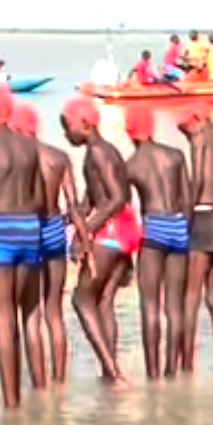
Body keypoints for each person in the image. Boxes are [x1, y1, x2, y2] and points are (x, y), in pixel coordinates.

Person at [0, 86, 52, 403]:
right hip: (30, 228)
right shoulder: (29, 148)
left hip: (2, 232)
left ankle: (12, 403)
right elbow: (37, 197)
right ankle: (42, 389)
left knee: (4, 321)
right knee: (30, 313)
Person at [60, 95, 135, 385]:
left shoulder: (99, 153)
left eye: (68, 127)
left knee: (82, 299)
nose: (66, 134)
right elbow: (92, 199)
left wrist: (86, 233)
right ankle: (108, 370)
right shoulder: (101, 151)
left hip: (112, 227)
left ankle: (114, 374)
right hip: (125, 227)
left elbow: (116, 197)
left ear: (86, 124)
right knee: (103, 301)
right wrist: (72, 217)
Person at [9, 101, 80, 385]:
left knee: (31, 313)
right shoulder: (59, 157)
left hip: (30, 231)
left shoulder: (15, 161)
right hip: (55, 230)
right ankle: (60, 381)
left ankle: (40, 385)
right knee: (55, 312)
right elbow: (73, 205)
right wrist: (84, 242)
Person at [124, 103, 191, 379]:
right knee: (175, 306)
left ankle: (153, 375)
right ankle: (171, 371)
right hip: (178, 226)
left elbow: (125, 211)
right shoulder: (175, 156)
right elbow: (187, 202)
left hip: (153, 229)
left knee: (149, 305)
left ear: (130, 132)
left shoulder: (130, 166)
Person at [178, 101, 213, 375]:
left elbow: (199, 180)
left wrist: (185, 221)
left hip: (203, 216)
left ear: (197, 119)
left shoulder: (201, 140)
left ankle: (187, 365)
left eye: (185, 127)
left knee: (191, 296)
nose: (186, 133)